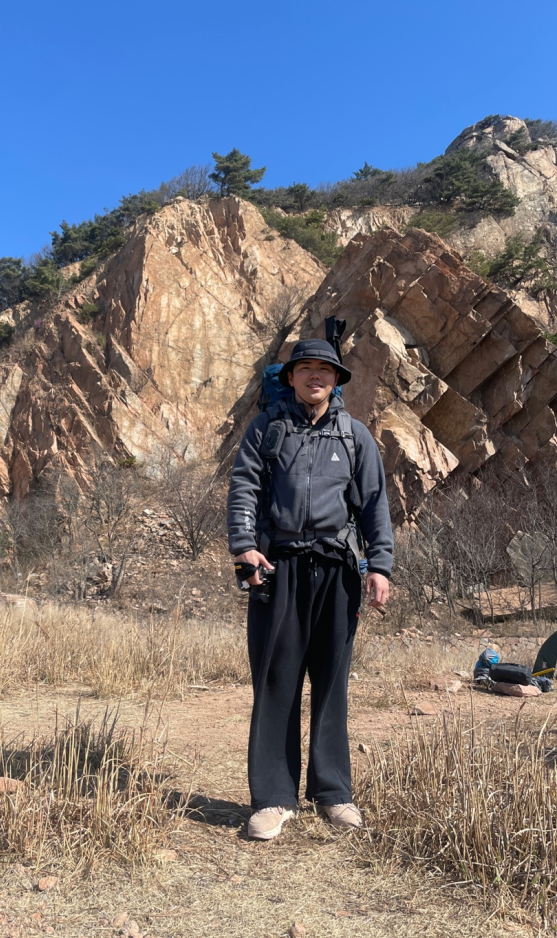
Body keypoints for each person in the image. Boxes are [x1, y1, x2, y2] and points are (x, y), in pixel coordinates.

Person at [227, 339, 393, 839]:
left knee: (331, 681)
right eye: (306, 368)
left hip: (338, 569)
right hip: (278, 567)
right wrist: (243, 546)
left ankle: (333, 793)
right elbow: (244, 487)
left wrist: (380, 566)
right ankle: (273, 799)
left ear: (336, 380)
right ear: (291, 377)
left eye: (325, 369)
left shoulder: (355, 436)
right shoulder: (266, 429)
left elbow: (374, 505)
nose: (315, 376)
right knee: (275, 681)